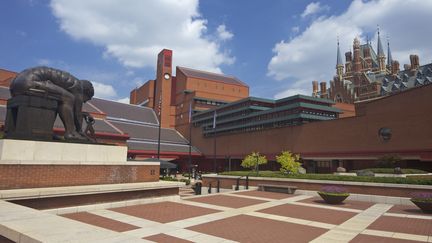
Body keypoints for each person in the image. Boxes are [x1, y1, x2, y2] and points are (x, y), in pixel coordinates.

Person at [10, 66, 94, 141]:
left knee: (60, 99)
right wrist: (80, 131)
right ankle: (70, 133)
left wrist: (83, 114)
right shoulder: (78, 86)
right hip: (30, 81)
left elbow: (70, 110)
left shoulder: (70, 82)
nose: (84, 102)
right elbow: (77, 112)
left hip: (16, 84)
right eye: (87, 99)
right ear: (86, 92)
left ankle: (47, 132)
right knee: (68, 98)